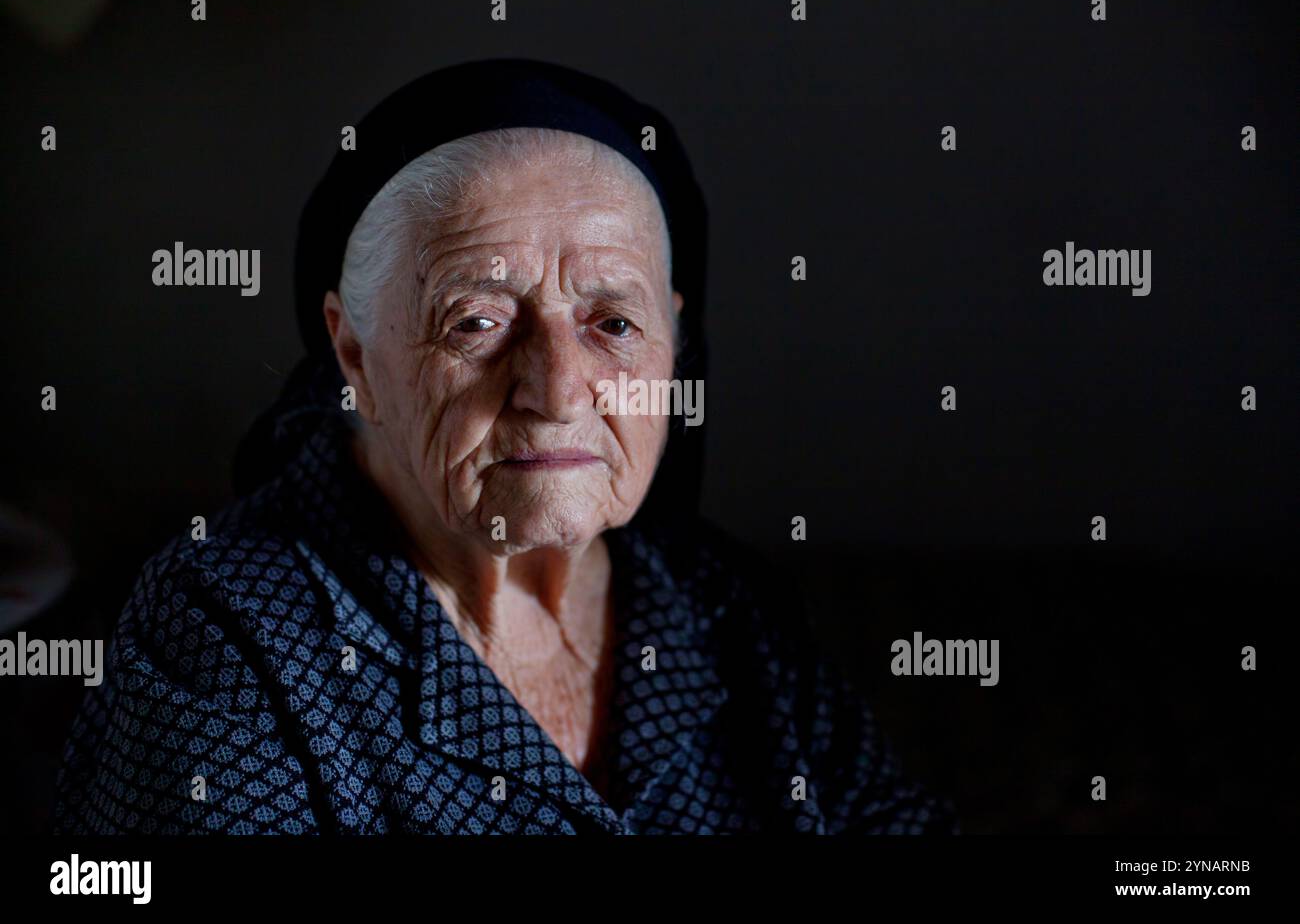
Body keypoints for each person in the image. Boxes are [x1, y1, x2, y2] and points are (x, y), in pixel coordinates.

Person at [53, 59, 957, 834]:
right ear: (354, 355)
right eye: (477, 321)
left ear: (674, 343)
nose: (558, 390)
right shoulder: (224, 637)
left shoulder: (724, 609)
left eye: (612, 322)